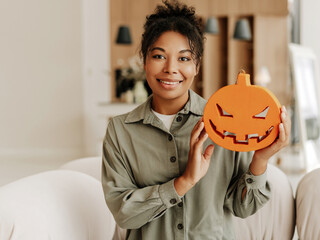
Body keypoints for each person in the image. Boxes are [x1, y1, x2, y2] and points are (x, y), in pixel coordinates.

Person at [102, 1, 291, 239]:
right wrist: (184, 181)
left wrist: (261, 159)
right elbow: (124, 213)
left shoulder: (227, 123)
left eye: (184, 58)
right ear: (144, 60)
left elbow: (244, 207)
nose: (171, 68)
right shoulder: (120, 131)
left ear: (197, 66)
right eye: (159, 56)